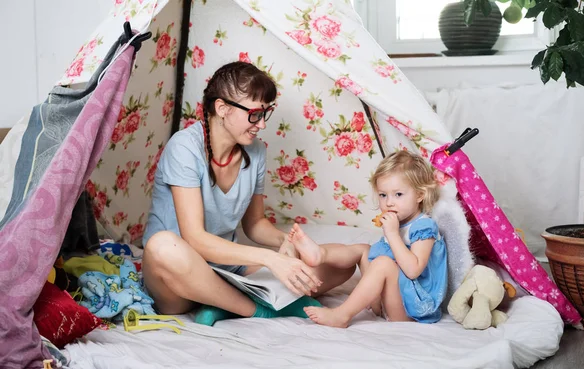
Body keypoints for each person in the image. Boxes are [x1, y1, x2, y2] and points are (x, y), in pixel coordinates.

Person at [141, 61, 356, 326]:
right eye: (255, 114)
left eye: (266, 113)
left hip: (227, 270)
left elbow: (254, 224)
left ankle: (223, 304)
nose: (262, 124)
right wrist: (270, 258)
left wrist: (284, 242)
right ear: (222, 108)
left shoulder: (256, 151)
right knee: (163, 245)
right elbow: (194, 239)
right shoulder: (184, 147)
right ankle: (256, 309)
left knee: (340, 264)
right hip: (178, 274)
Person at [288, 150, 448, 328]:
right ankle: (320, 254)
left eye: (398, 194)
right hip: (388, 300)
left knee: (383, 263)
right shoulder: (399, 221)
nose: (389, 203)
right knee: (364, 249)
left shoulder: (424, 227)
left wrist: (393, 234)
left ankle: (341, 315)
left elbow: (413, 270)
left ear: (420, 195)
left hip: (411, 310)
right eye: (383, 195)